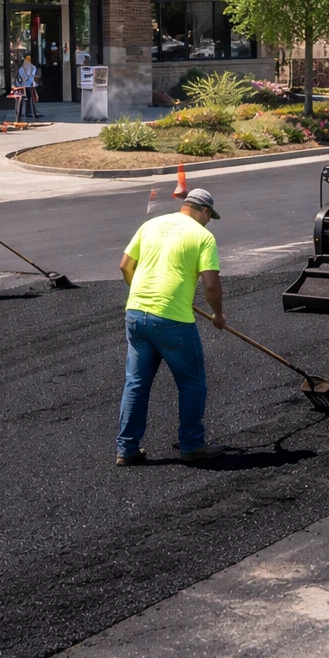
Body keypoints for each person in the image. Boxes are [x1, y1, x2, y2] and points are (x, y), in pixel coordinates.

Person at [115, 187, 228, 467]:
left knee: (136, 383)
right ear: (203, 210)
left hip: (135, 313)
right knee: (191, 382)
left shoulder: (150, 224)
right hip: (172, 319)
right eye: (209, 216)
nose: (209, 222)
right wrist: (218, 315)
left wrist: (145, 294)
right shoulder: (202, 236)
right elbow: (211, 285)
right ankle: (192, 445)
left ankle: (127, 449)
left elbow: (125, 266)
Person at [14, 53, 41, 120]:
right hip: (28, 86)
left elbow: (23, 77)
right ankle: (31, 112)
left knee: (26, 99)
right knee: (30, 99)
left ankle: (27, 112)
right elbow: (32, 76)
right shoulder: (32, 68)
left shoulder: (22, 68)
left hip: (24, 86)